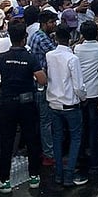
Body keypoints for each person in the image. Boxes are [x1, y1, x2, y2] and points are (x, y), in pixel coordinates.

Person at [0, 21, 47, 193]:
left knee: (7, 141)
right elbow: (42, 80)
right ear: (24, 38)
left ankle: (4, 180)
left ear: (10, 37)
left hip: (7, 104)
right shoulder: (30, 58)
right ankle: (34, 176)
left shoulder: (2, 57)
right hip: (27, 104)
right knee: (32, 140)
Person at [46, 25, 89, 187]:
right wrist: (83, 98)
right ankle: (69, 173)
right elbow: (78, 86)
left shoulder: (50, 55)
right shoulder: (72, 59)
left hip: (53, 104)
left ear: (56, 38)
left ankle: (58, 173)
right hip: (70, 105)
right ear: (69, 39)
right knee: (76, 138)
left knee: (57, 138)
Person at [75, 20, 98, 174]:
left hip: (80, 94)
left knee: (80, 128)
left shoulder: (76, 49)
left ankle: (79, 157)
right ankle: (95, 161)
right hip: (97, 94)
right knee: (95, 129)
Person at [30, 9, 58, 166]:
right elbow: (57, 53)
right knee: (45, 121)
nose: (53, 25)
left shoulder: (40, 36)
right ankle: (48, 154)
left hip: (41, 83)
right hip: (42, 85)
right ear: (43, 24)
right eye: (51, 22)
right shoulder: (41, 38)